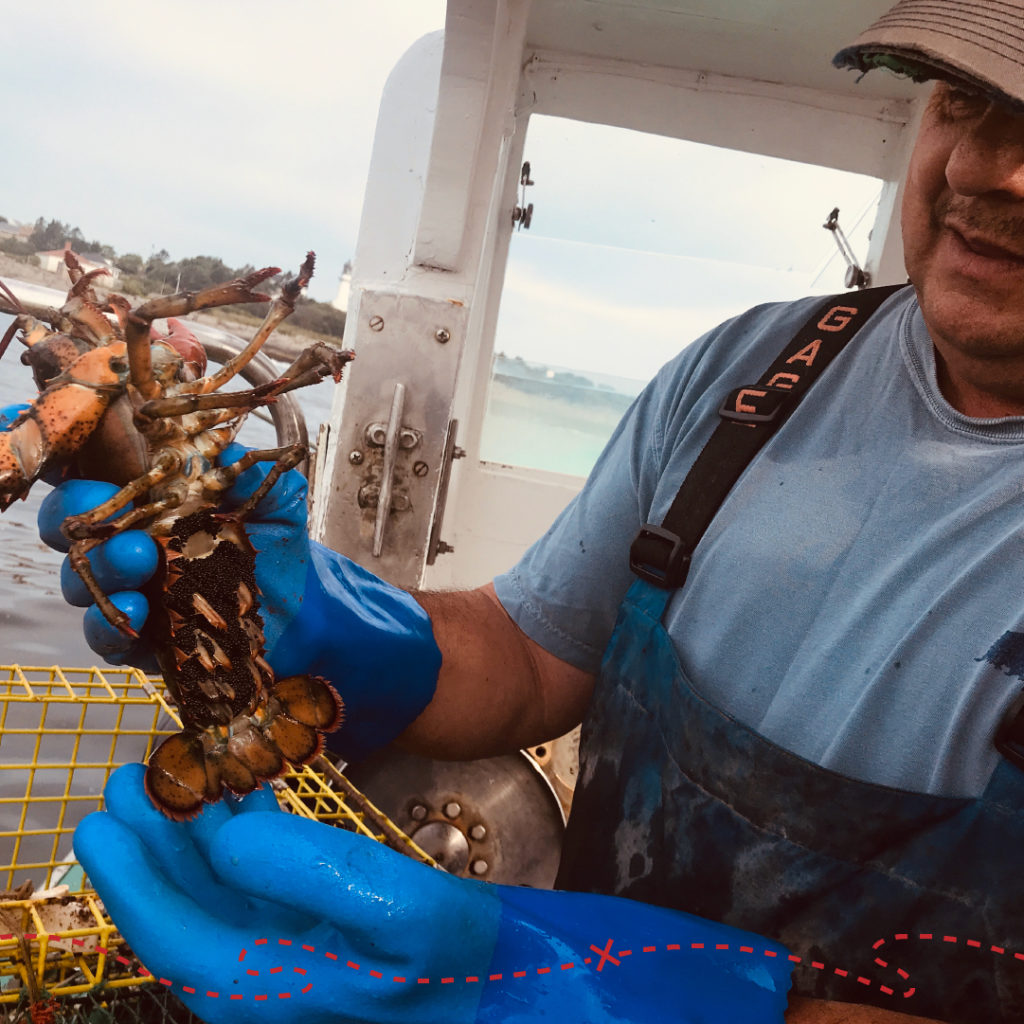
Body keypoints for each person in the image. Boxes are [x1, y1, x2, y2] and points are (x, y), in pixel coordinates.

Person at [25, 1, 1024, 1021]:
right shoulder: (758, 370)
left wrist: (574, 998)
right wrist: (341, 621)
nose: (986, 167)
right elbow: (536, 655)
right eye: (963, 99)